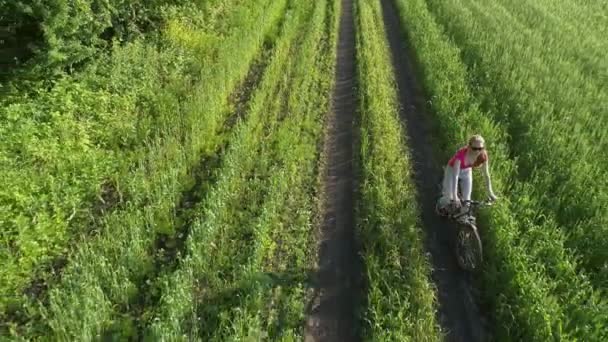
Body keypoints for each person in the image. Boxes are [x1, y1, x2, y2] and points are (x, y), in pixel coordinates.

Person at [438, 134, 497, 215]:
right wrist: (455, 196)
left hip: (466, 171)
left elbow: (486, 175)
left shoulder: (483, 156)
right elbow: (455, 175)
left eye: (480, 148)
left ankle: (461, 217)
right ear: (469, 147)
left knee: (467, 202)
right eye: (474, 148)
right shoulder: (461, 154)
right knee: (449, 197)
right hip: (452, 170)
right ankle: (440, 204)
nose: (477, 151)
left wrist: (491, 193)